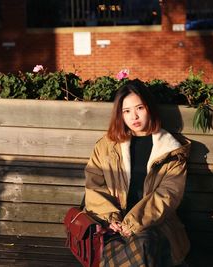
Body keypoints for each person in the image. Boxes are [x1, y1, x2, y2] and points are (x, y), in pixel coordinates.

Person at [84, 79, 191, 267]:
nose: (134, 116)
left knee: (143, 244)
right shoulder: (106, 147)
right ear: (120, 115)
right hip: (111, 222)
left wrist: (132, 224)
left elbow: (168, 194)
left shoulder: (171, 151)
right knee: (123, 249)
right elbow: (94, 185)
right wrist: (111, 218)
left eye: (139, 108)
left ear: (149, 108)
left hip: (154, 223)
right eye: (126, 111)